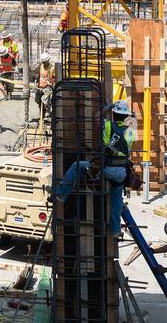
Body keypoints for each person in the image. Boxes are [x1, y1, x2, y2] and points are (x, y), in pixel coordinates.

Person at [53, 99, 132, 236]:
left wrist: (106, 107)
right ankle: (115, 230)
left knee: (78, 166)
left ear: (114, 114)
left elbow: (97, 117)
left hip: (106, 169)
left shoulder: (108, 125)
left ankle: (61, 194)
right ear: (126, 116)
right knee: (116, 199)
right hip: (121, 172)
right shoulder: (131, 131)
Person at [34, 52, 55, 122]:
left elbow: (55, 78)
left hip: (47, 87)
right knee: (37, 100)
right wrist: (36, 83)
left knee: (45, 101)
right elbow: (37, 75)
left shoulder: (52, 68)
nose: (44, 63)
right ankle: (42, 112)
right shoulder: (41, 66)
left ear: (48, 60)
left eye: (45, 62)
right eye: (43, 62)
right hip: (40, 87)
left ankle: (47, 114)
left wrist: (52, 83)